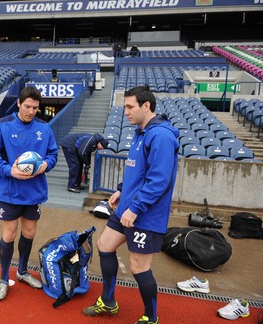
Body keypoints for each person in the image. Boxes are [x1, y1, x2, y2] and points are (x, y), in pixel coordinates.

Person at [83, 86, 179, 324]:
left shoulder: (162, 136)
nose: (125, 111)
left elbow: (159, 180)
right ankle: (108, 302)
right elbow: (139, 171)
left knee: (138, 266)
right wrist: (121, 189)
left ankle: (151, 317)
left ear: (146, 106)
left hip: (146, 214)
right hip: (128, 206)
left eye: (129, 107)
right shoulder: (141, 132)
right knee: (105, 245)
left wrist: (135, 208)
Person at [0, 86, 58, 300]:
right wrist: (10, 170)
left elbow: (53, 154)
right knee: (9, 234)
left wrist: (46, 164)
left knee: (30, 232)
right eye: (27, 106)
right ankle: (4, 278)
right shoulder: (2, 126)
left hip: (34, 192)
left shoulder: (44, 128)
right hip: (9, 191)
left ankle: (23, 271)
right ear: (19, 103)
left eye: (35, 107)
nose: (31, 111)